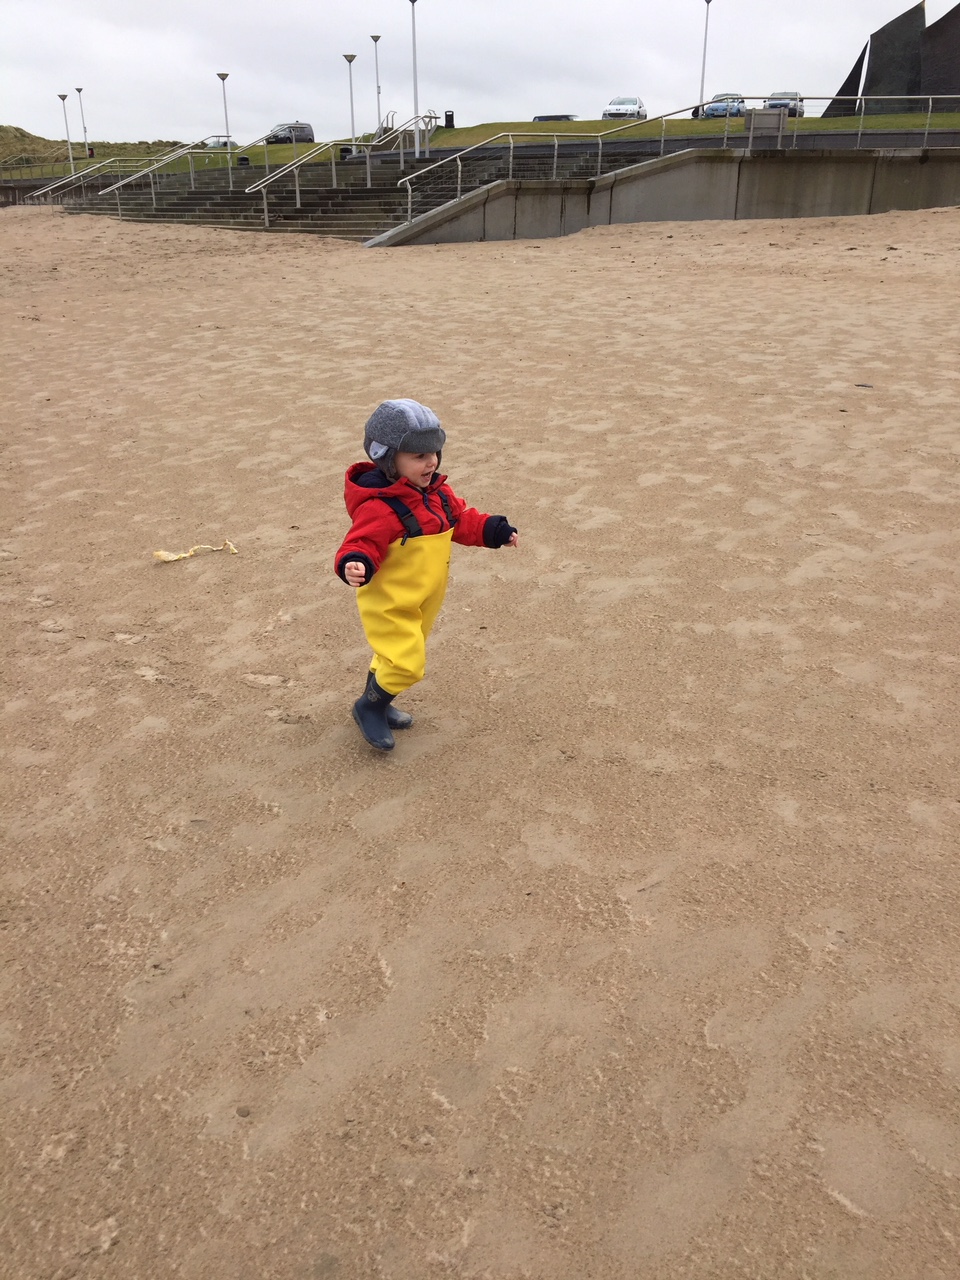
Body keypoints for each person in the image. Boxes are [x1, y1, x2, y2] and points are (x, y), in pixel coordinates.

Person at [335, 398, 518, 751]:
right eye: (418, 456)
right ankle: (368, 706)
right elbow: (359, 542)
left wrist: (493, 530)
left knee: (395, 655)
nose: (431, 461)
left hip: (424, 595)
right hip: (389, 601)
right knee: (408, 664)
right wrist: (354, 562)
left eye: (434, 452)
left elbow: (463, 521)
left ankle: (379, 702)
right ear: (388, 459)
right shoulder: (380, 507)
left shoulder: (438, 494)